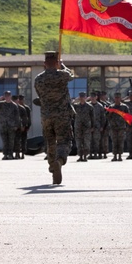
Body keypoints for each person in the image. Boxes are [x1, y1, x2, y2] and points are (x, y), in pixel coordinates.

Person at [33, 51, 76, 184]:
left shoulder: (38, 79)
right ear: (56, 63)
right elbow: (71, 75)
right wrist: (63, 66)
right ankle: (60, 160)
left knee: (50, 142)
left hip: (46, 116)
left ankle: (52, 166)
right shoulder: (62, 75)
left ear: (44, 64)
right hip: (62, 115)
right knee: (64, 141)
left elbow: (40, 96)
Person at [0, 90, 20, 161]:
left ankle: (10, 154)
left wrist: (16, 125)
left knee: (11, 141)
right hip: (3, 125)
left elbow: (17, 116)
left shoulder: (14, 105)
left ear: (11, 96)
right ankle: (5, 154)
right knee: (5, 141)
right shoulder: (1, 104)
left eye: (8, 96)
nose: (7, 97)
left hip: (11, 126)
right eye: (6, 96)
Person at [107, 92, 130, 162]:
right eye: (116, 98)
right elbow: (107, 116)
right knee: (114, 141)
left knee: (120, 141)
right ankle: (115, 156)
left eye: (118, 98)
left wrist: (127, 126)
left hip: (121, 127)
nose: (117, 99)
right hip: (113, 127)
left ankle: (120, 156)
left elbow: (128, 117)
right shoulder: (111, 107)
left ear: (120, 98)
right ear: (114, 98)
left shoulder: (124, 107)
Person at [73, 92, 94, 162]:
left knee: (86, 142)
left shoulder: (89, 107)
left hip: (86, 127)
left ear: (85, 97)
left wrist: (92, 126)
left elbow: (92, 117)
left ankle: (85, 156)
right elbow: (70, 109)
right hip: (78, 126)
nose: (82, 98)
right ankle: (80, 156)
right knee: (79, 142)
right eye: (80, 97)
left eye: (83, 97)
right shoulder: (75, 106)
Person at [90, 91, 106, 159]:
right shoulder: (88, 106)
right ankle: (90, 154)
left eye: (94, 97)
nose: (93, 98)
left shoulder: (100, 106)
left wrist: (102, 126)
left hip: (97, 126)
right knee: (90, 140)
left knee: (97, 140)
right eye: (91, 97)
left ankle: (96, 153)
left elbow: (103, 117)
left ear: (96, 97)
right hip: (89, 126)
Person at [14, 94, 31, 159]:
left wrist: (27, 126)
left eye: (22, 100)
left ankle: (23, 153)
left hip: (24, 127)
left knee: (23, 141)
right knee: (17, 141)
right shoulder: (15, 107)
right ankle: (17, 153)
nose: (21, 101)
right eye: (20, 100)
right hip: (17, 127)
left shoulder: (26, 108)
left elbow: (28, 118)